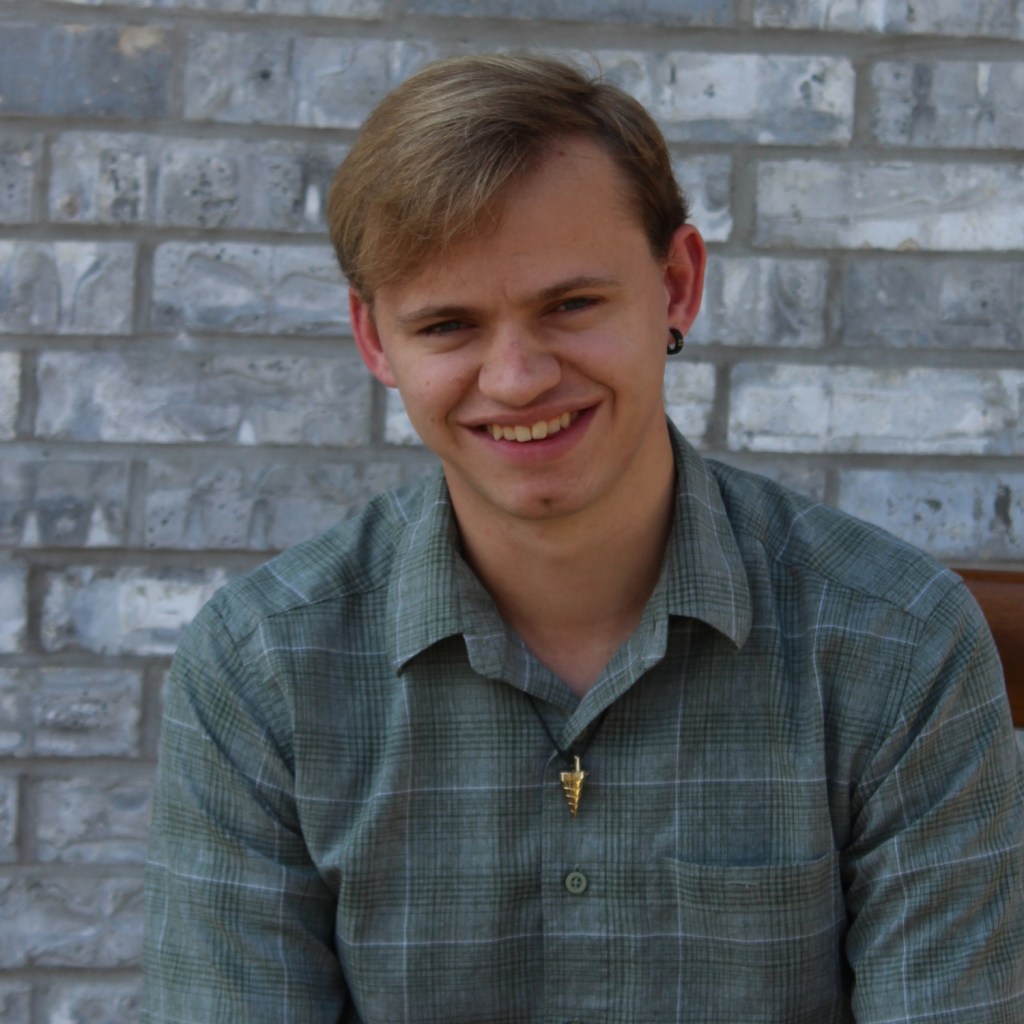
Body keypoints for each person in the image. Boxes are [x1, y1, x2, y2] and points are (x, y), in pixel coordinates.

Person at [143, 53, 1024, 1023]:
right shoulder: (262, 666)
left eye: (570, 305)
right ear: (373, 339)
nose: (516, 378)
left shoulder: (897, 643)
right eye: (447, 325)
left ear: (676, 284)